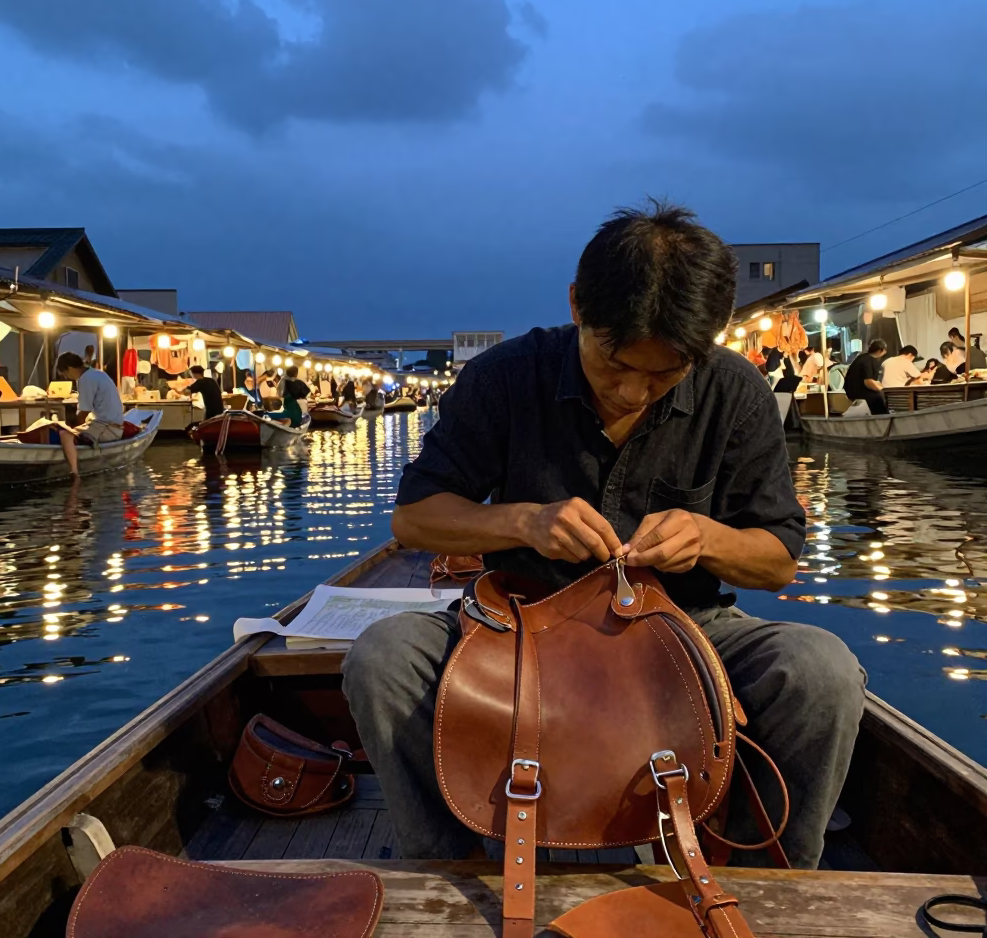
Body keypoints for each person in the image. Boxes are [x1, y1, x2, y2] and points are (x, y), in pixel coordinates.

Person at [342, 201, 865, 871]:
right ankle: (450, 870)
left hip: (686, 626)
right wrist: (524, 521)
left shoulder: (735, 391)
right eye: (615, 364)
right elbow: (414, 518)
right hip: (519, 626)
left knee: (822, 671)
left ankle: (771, 883)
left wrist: (706, 537)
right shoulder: (503, 378)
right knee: (382, 658)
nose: (634, 392)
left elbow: (777, 562)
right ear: (576, 308)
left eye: (665, 375)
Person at [54, 352, 126, 477]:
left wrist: (70, 428)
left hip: (108, 428)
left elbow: (84, 412)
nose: (67, 377)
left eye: (65, 374)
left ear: (70, 368)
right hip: (115, 424)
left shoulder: (85, 379)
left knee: (65, 435)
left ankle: (74, 472)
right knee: (71, 431)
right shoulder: (97, 373)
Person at [843, 339, 888, 414]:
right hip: (859, 392)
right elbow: (868, 382)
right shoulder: (870, 360)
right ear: (881, 350)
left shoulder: (862, 357)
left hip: (850, 390)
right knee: (879, 396)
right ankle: (882, 419)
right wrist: (882, 389)